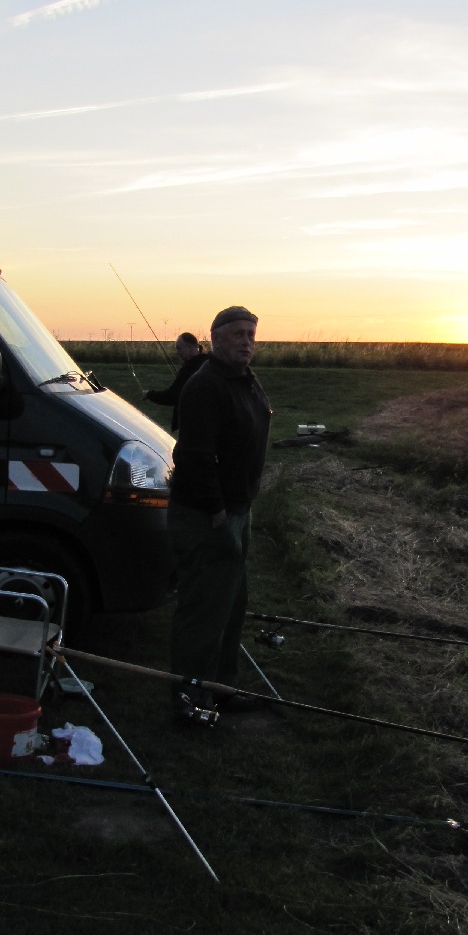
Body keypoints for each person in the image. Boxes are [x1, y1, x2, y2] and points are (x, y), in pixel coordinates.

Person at [167, 305, 271, 721]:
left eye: (251, 334)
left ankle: (221, 688)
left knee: (231, 606)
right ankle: (190, 699)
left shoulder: (245, 379)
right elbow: (194, 455)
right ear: (215, 338)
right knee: (204, 611)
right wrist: (215, 509)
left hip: (238, 511)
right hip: (208, 515)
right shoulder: (205, 385)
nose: (246, 341)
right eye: (238, 334)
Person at [143, 332, 209, 431]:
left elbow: (172, 396)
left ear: (191, 348)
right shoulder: (207, 363)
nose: (177, 352)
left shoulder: (190, 368)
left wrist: (149, 394)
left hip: (192, 425)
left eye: (179, 349)